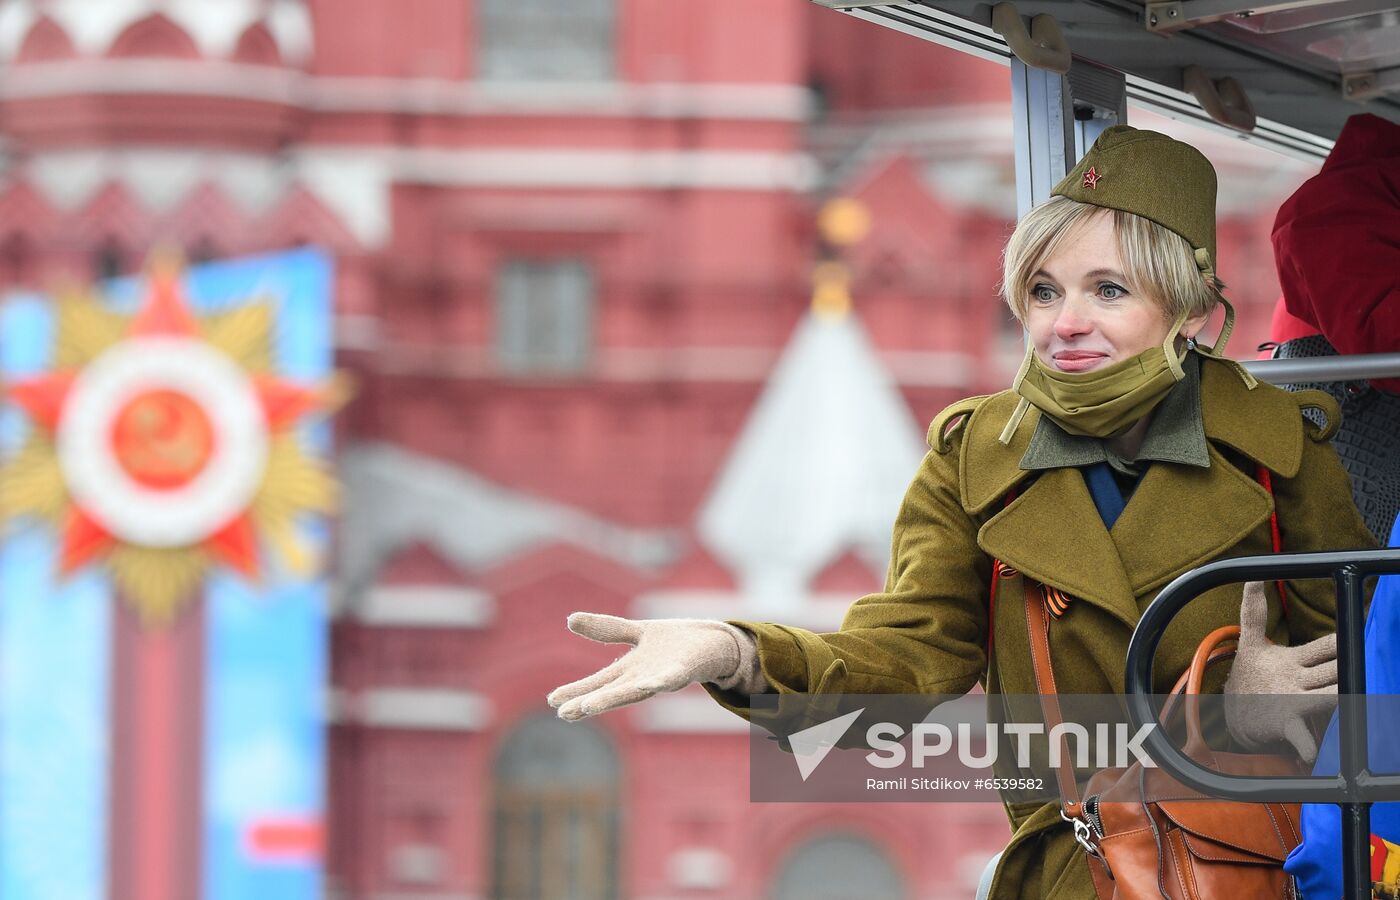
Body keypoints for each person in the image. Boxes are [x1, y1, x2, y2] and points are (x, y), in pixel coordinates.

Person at [547, 126, 1377, 900]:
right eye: (1044, 290)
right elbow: (910, 655)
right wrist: (733, 651)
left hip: (1241, 869)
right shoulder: (975, 457)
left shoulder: (1277, 455)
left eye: (1109, 290)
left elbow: (1368, 679)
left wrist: (1257, 718)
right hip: (1074, 869)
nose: (1066, 324)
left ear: (1190, 308)